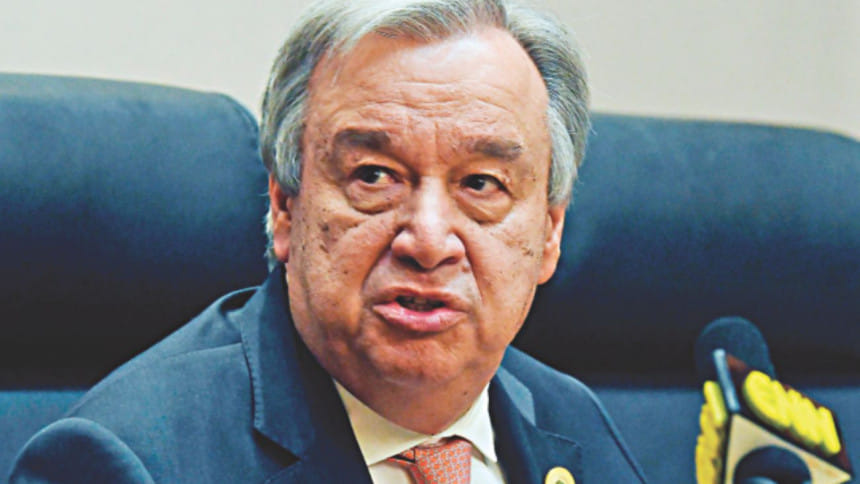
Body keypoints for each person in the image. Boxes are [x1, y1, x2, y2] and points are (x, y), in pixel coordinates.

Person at [10, 0, 647, 482]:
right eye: (374, 176)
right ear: (285, 206)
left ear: (550, 232)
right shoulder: (125, 460)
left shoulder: (572, 421)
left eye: (481, 183)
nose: (428, 241)